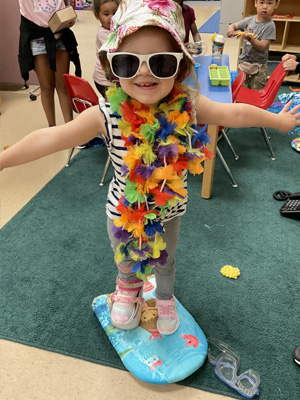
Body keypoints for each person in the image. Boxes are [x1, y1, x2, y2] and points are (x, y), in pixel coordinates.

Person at [1, 0, 300, 336]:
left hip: (169, 209)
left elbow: (237, 114)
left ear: (180, 69)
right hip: (122, 211)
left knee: (166, 259)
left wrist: (277, 120)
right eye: (129, 62)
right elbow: (52, 138)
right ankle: (127, 290)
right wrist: (3, 160)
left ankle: (165, 297)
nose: (144, 73)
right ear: (113, 69)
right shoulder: (106, 113)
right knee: (125, 258)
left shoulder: (188, 104)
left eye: (160, 62)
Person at [18, 0, 81, 127]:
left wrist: (68, 14)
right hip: (37, 39)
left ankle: (70, 128)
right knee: (46, 87)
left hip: (60, 35)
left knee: (62, 86)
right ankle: (52, 129)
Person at [227, 0, 280, 90]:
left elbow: (261, 46)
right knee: (241, 91)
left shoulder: (270, 26)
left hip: (259, 67)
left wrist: (250, 39)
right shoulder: (250, 20)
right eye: (261, 2)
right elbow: (234, 25)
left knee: (256, 93)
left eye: (269, 3)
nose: (265, 7)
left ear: (276, 4)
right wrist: (230, 30)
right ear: (256, 3)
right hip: (243, 63)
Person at [93, 0, 119, 98]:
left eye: (115, 13)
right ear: (97, 15)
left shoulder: (115, 29)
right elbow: (116, 49)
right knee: (113, 108)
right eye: (106, 14)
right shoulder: (103, 33)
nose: (111, 17)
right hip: (105, 81)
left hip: (112, 79)